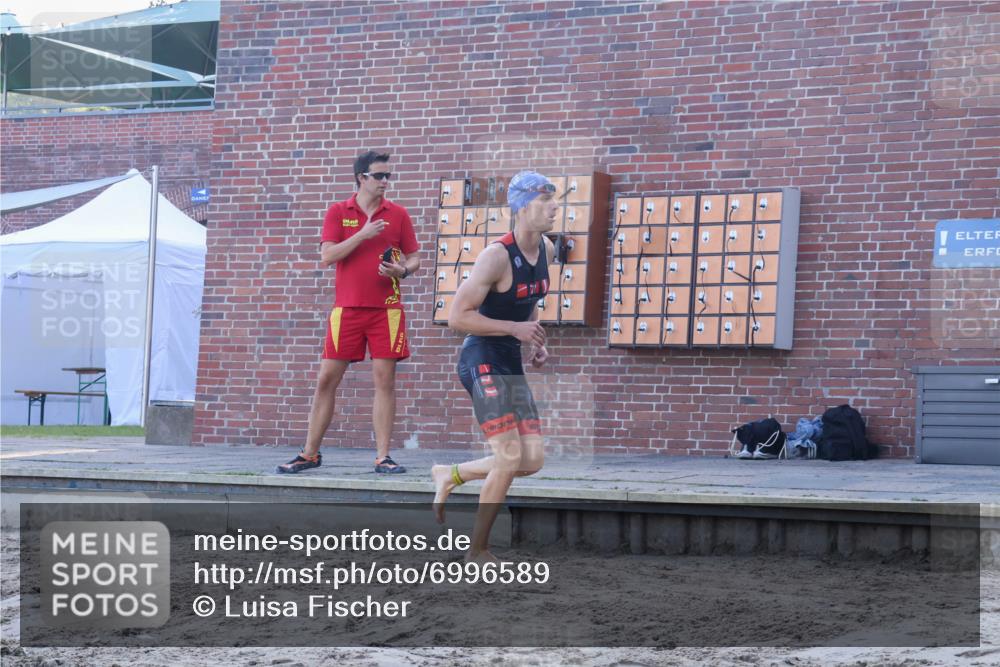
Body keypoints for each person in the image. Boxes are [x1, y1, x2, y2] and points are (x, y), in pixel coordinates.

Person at [431, 170, 557, 562]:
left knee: (531, 460)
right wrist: (513, 328)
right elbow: (457, 317)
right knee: (507, 456)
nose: (554, 207)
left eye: (555, 200)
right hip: (481, 358)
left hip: (508, 359)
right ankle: (477, 551)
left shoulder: (548, 250)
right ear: (521, 208)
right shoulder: (496, 256)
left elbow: (530, 299)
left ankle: (450, 475)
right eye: (544, 201)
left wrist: (535, 340)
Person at [277, 151, 420, 475]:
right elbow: (328, 256)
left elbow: (414, 258)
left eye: (388, 177)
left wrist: (403, 271)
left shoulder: (398, 214)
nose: (385, 182)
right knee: (326, 379)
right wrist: (363, 234)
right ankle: (309, 454)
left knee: (385, 380)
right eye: (379, 176)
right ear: (361, 177)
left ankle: (383, 456)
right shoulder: (339, 211)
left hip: (387, 310)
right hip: (347, 310)